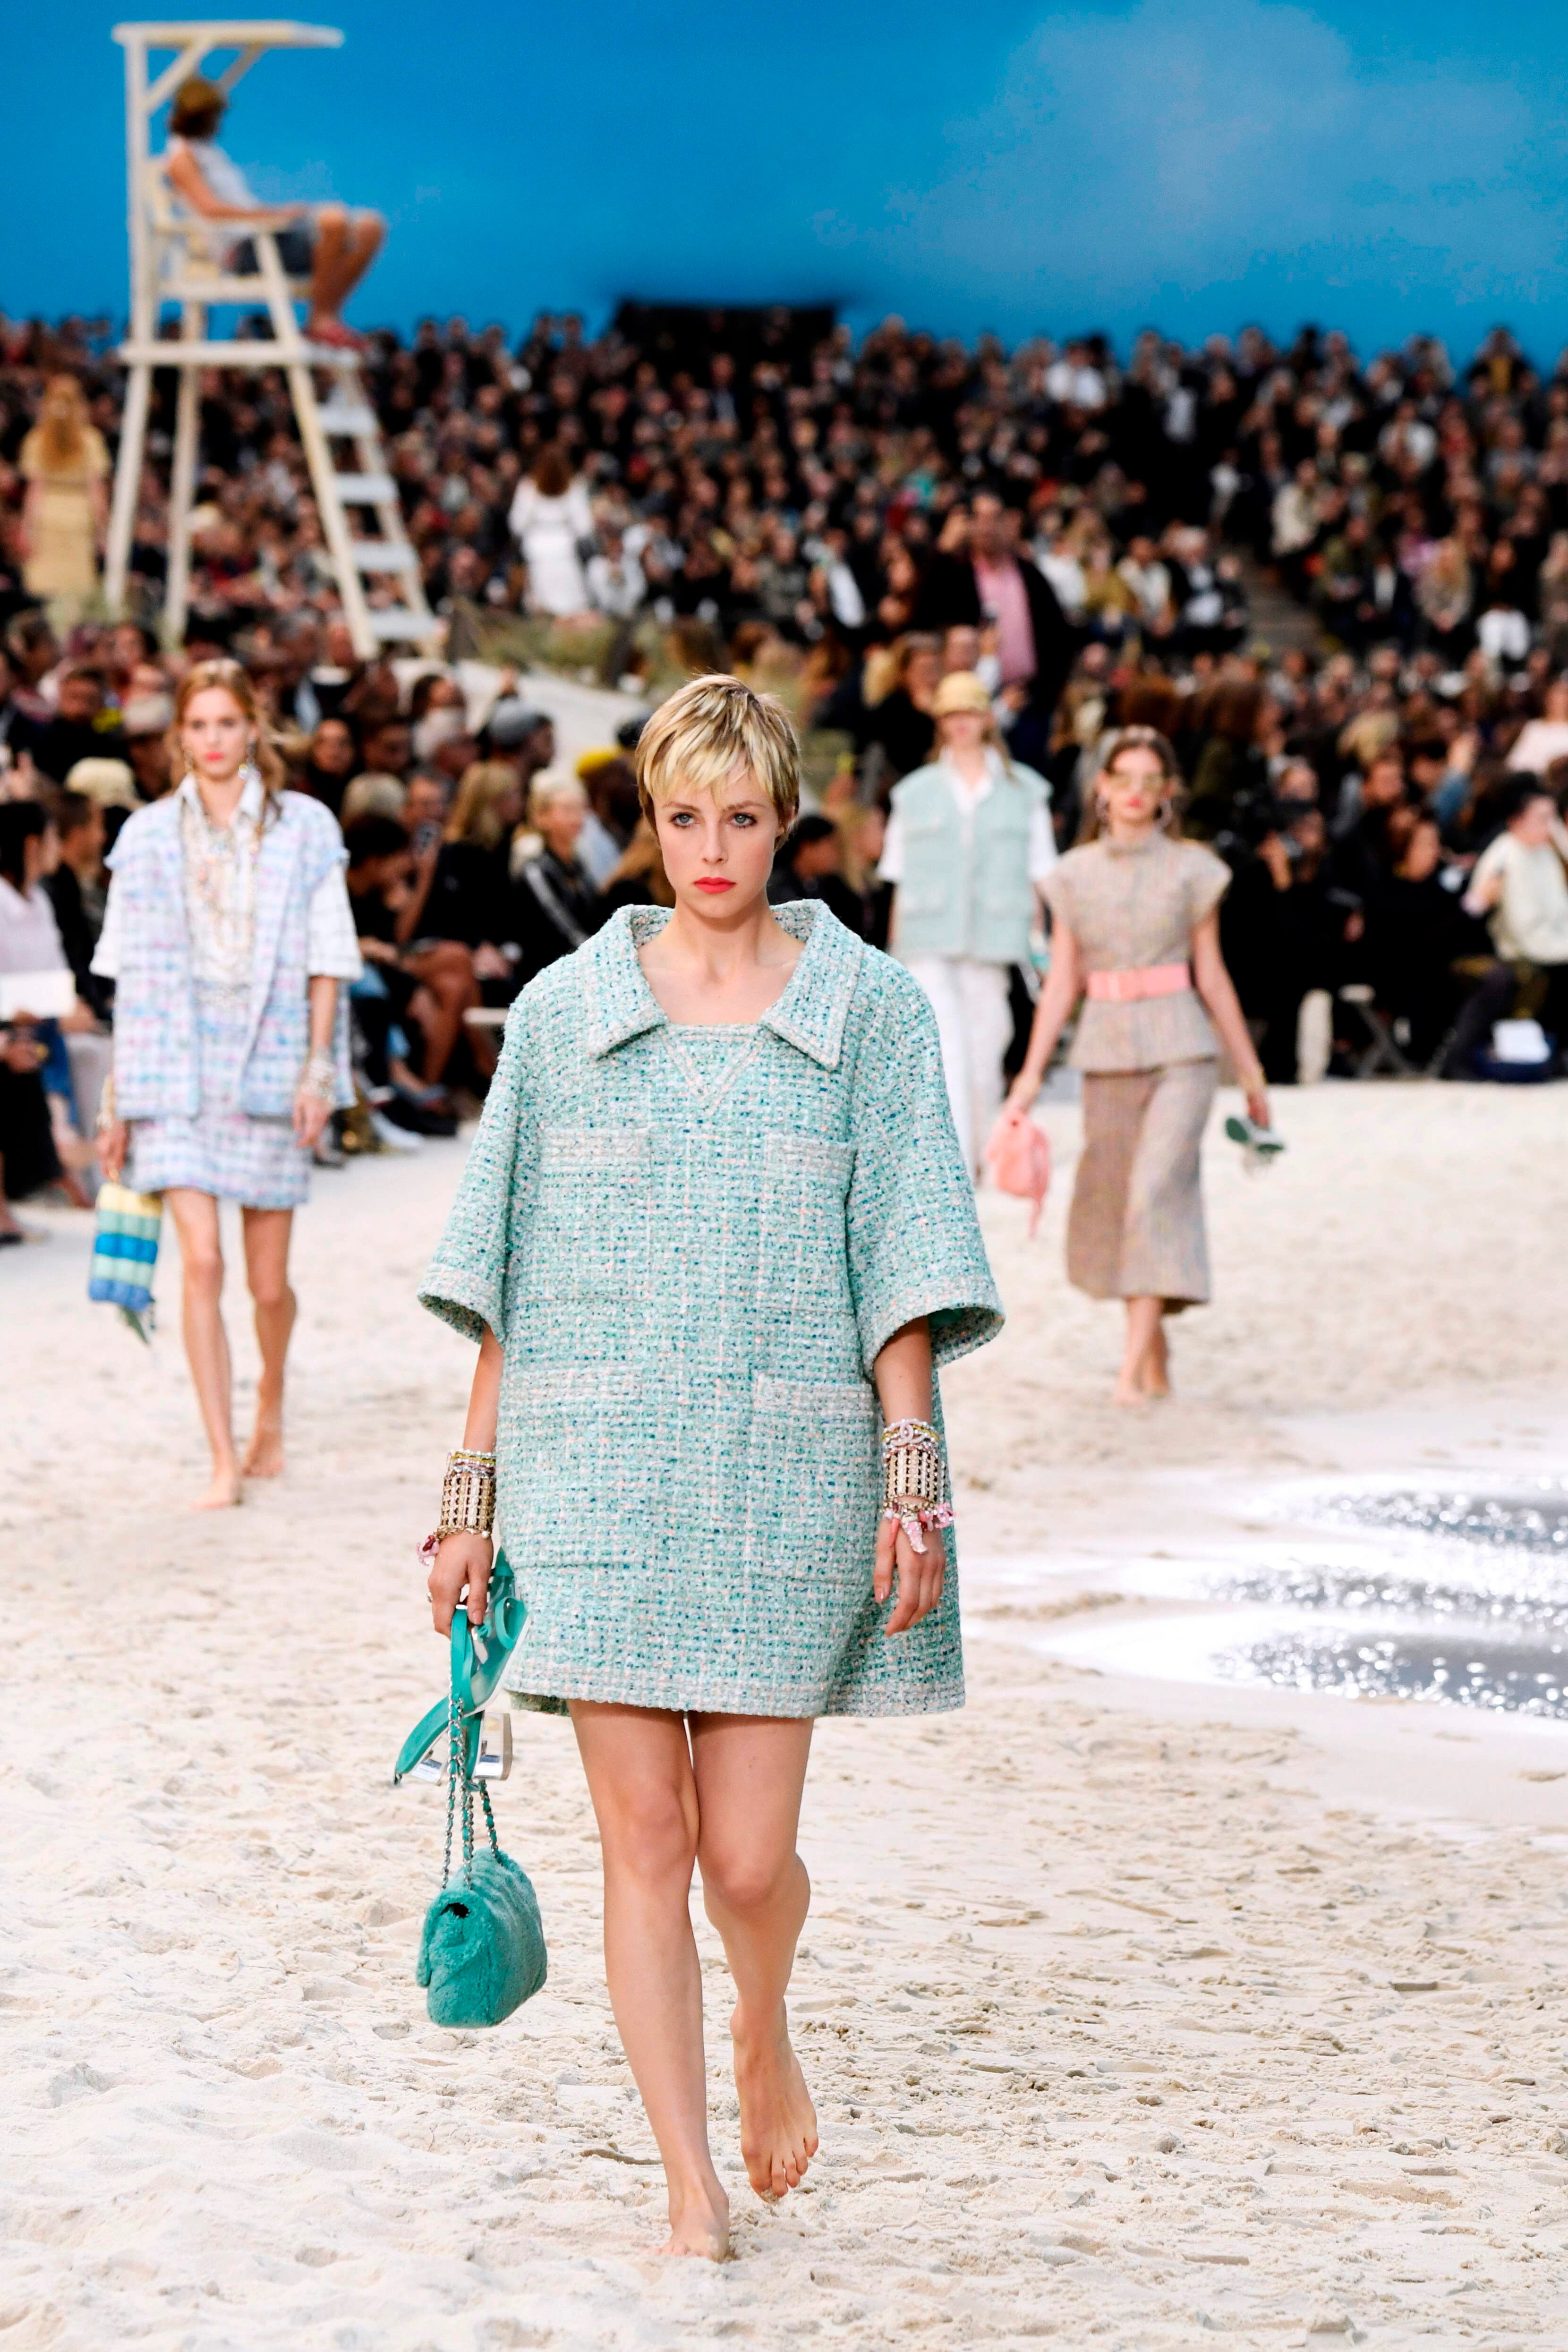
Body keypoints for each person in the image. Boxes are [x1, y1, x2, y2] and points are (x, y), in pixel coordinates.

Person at [419, 672, 1001, 2261]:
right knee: (649, 1843)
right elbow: (511, 1272)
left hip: (784, 1473)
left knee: (747, 1862)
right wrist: (470, 1499)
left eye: (743, 816)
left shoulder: (869, 1010)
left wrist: (910, 1472)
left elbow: (903, 1253)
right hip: (595, 1473)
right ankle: (689, 2184)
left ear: (786, 817)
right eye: (685, 817)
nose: (714, 848)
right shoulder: (566, 1014)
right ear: (652, 820)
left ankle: (765, 2013)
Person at [93, 659, 360, 1509]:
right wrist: (115, 1099)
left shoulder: (304, 827)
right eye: (198, 725)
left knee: (267, 1285)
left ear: (254, 728)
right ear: (180, 735)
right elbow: (125, 973)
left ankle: (270, 1404)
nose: (213, 740)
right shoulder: (144, 837)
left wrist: (318, 1070)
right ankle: (221, 1456)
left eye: (227, 723)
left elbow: (329, 959)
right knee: (201, 1262)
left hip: (271, 1060)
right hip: (171, 1066)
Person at [1004, 725, 1269, 1406]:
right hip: (1106, 1051)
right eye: (1124, 779)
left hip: (1183, 1049)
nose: (1135, 792)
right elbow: (1062, 981)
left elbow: (1212, 974)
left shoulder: (1192, 870)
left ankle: (1127, 1375)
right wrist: (1029, 1077)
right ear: (1101, 787)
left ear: (1167, 792)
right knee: (1121, 1198)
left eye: (1150, 781)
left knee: (1154, 1192)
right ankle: (1154, 1351)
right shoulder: (1073, 876)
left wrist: (1251, 1074)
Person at [879, 670, 1056, 1175]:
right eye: (951, 714)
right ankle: (954, 1165)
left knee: (987, 1042)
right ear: (940, 722)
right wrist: (892, 954)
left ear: (986, 719)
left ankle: (978, 1155)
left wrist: (1043, 945)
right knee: (946, 1047)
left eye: (970, 712)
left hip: (996, 937)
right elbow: (897, 876)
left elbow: (1041, 875)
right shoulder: (913, 793)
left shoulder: (1025, 792)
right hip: (926, 938)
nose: (961, 723)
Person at [162, 77, 383, 349]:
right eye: (214, 115)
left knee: (370, 227)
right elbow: (211, 209)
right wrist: (275, 215)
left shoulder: (207, 153)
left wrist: (281, 216)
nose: (218, 123)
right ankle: (321, 320)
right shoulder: (182, 157)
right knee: (333, 220)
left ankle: (326, 315)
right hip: (244, 249)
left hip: (265, 238)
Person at [1464, 775, 1568, 1049]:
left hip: (1553, 943)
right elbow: (1523, 930)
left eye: (1553, 818)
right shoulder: (1504, 857)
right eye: (1542, 819)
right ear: (1517, 820)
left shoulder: (1545, 853)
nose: (1550, 827)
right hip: (1518, 952)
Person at [18, 376, 110, 622]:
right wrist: (103, 530)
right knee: (76, 589)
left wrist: (27, 529)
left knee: (44, 587)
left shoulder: (37, 440)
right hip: (79, 516)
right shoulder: (90, 440)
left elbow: (35, 491)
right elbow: (96, 491)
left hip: (46, 516)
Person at [511, 772, 600, 982]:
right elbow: (562, 926)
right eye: (568, 810)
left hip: (580, 965)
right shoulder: (535, 869)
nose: (577, 817)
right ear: (541, 818)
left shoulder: (579, 863)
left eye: (581, 809)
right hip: (547, 975)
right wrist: (600, 957)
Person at [508, 446, 595, 619]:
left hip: (549, 545)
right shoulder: (532, 487)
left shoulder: (531, 487)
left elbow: (517, 525)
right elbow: (584, 527)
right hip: (555, 545)